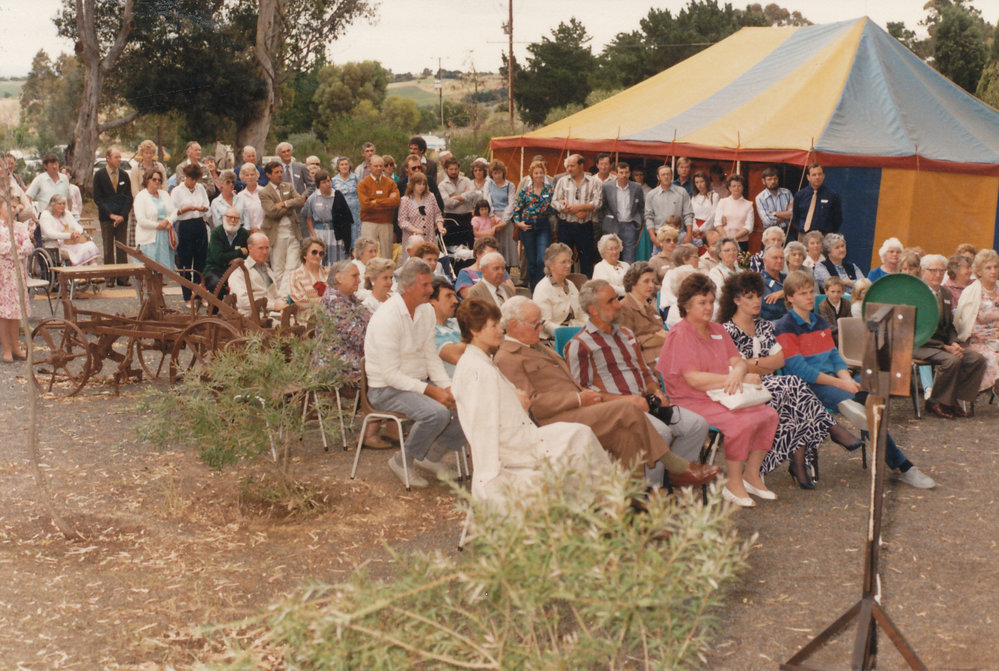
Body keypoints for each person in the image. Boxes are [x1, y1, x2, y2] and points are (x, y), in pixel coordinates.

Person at [495, 296, 721, 488]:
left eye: (540, 322)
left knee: (628, 437)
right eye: (535, 324)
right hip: (555, 420)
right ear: (514, 325)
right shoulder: (508, 357)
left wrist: (584, 396)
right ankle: (676, 466)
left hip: (580, 408)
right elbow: (530, 403)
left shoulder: (537, 346)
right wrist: (577, 397)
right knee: (627, 408)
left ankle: (636, 505)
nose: (541, 328)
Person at [774, 271, 937, 489]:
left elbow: (833, 355)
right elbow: (800, 370)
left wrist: (845, 377)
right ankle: (903, 466)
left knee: (877, 386)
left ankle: (888, 449)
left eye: (810, 292)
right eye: (802, 294)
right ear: (789, 298)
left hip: (834, 380)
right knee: (869, 412)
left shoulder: (819, 321)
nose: (809, 297)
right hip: (808, 388)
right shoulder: (785, 326)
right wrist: (841, 383)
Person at [452, 298, 613, 509]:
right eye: (493, 326)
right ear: (475, 331)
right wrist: (488, 472)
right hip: (512, 446)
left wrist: (517, 400)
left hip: (520, 433)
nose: (500, 331)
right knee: (580, 437)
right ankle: (602, 505)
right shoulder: (478, 370)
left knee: (580, 433)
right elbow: (483, 425)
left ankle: (598, 504)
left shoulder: (480, 360)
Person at [718, 272, 859, 488]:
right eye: (749, 297)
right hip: (744, 390)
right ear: (736, 300)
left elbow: (779, 360)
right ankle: (829, 430)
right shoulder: (726, 331)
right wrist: (754, 366)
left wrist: (749, 363)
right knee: (795, 385)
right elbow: (732, 368)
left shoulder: (764, 326)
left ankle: (798, 463)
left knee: (794, 395)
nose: (757, 301)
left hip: (773, 388)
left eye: (758, 296)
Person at [656, 273, 779, 507]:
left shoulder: (718, 330)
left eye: (711, 301)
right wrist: (731, 378)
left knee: (768, 415)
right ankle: (733, 484)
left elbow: (738, 361)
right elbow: (693, 380)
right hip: (691, 400)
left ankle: (751, 476)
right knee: (740, 423)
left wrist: (738, 372)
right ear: (686, 306)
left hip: (723, 395)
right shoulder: (680, 333)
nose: (708, 307)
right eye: (702, 302)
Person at [568, 279, 710, 463]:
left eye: (616, 299)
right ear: (593, 310)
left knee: (698, 425)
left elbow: (644, 371)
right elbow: (584, 394)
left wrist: (656, 390)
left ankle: (674, 476)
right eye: (611, 301)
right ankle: (653, 486)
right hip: (618, 411)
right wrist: (629, 401)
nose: (618, 304)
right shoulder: (580, 345)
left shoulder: (626, 334)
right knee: (660, 433)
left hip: (647, 402)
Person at [363, 258, 467, 487]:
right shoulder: (387, 317)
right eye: (425, 285)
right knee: (436, 413)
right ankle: (402, 461)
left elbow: (431, 357)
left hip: (417, 383)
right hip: (385, 389)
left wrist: (447, 388)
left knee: (464, 403)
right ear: (407, 287)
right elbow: (390, 375)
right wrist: (432, 391)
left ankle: (430, 457)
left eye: (431, 284)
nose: (431, 290)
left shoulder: (426, 312)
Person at [913, 254, 985, 419]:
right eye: (933, 270)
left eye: (941, 270)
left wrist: (953, 342)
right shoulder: (916, 293)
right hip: (919, 344)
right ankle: (935, 401)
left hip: (941, 345)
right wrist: (944, 347)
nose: (938, 274)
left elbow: (950, 325)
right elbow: (915, 330)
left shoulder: (945, 293)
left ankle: (951, 399)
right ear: (923, 271)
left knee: (976, 359)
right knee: (951, 360)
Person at [955, 248, 999, 396]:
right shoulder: (971, 291)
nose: (993, 271)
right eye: (988, 268)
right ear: (979, 271)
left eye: (996, 267)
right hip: (977, 342)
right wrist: (989, 335)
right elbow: (964, 324)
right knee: (994, 358)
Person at [552, 154, 603, 277]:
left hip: (585, 227)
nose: (569, 169)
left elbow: (598, 203)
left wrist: (579, 207)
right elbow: (554, 202)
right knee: (564, 258)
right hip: (566, 225)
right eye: (568, 166)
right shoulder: (562, 181)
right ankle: (565, 285)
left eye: (572, 166)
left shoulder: (594, 182)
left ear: (581, 166)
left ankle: (585, 288)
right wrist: (573, 211)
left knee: (587, 259)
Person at [260, 161, 306, 289]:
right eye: (276, 172)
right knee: (278, 267)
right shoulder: (264, 192)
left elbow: (301, 201)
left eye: (281, 172)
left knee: (293, 265)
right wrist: (291, 205)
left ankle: (288, 294)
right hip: (277, 233)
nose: (280, 175)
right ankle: (281, 296)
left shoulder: (288, 186)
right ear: (269, 175)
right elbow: (271, 212)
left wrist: (284, 204)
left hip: (293, 231)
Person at [171, 163, 211, 307]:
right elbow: (174, 212)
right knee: (185, 264)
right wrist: (190, 208)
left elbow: (207, 207)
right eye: (191, 179)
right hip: (185, 226)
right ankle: (187, 296)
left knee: (201, 262)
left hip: (199, 224)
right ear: (186, 177)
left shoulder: (200, 189)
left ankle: (200, 294)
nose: (193, 182)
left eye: (196, 179)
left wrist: (203, 209)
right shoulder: (177, 191)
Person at [511, 160, 554, 289]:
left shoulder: (550, 189)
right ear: (531, 175)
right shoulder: (526, 190)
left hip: (543, 225)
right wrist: (519, 224)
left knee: (541, 259)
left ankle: (542, 288)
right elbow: (517, 210)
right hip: (528, 226)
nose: (539, 175)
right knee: (531, 261)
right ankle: (534, 289)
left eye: (541, 173)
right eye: (536, 173)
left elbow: (554, 207)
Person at [0, 201, 33, 363]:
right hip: (3, 275)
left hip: (18, 274)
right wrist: (15, 248)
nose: (13, 210)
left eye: (14, 207)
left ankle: (16, 346)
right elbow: (2, 248)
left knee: (16, 312)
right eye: (8, 206)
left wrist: (16, 249)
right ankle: (5, 348)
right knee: (4, 313)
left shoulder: (20, 226)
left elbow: (28, 247)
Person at [227, 232, 286, 318]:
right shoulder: (239, 272)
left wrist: (283, 307)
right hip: (250, 319)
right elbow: (243, 301)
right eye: (261, 248)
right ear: (250, 248)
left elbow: (276, 295)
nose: (265, 252)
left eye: (267, 248)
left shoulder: (267, 270)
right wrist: (274, 306)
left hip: (270, 315)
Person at [532, 242, 584, 340]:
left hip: (577, 335)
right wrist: (567, 334)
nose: (568, 265)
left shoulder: (571, 285)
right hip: (554, 339)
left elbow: (582, 313)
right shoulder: (543, 288)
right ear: (551, 265)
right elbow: (544, 323)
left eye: (569, 261)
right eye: (563, 262)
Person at [92, 148, 133, 269]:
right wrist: (111, 215)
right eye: (116, 157)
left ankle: (122, 276)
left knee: (122, 247)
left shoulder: (124, 175)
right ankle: (109, 277)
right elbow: (98, 198)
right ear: (108, 159)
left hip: (122, 218)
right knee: (108, 248)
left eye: (120, 157)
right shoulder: (99, 175)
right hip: (106, 218)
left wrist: (122, 215)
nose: (119, 160)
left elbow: (128, 198)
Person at [302, 169, 353, 265]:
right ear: (318, 184)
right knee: (320, 260)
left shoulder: (337, 196)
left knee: (336, 261)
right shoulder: (313, 198)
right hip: (319, 232)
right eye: (324, 182)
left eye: (329, 181)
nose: (327, 184)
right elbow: (308, 217)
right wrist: (313, 234)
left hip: (334, 233)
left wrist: (344, 236)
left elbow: (346, 218)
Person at [620, 262, 667, 365]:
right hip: (642, 363)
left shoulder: (650, 307)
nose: (651, 285)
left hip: (661, 356)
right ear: (633, 283)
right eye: (646, 281)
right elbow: (625, 343)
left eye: (653, 281)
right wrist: (655, 337)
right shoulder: (623, 308)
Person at [357, 155, 400, 260]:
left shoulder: (390, 183)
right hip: (369, 222)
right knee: (367, 252)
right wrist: (386, 201)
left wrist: (375, 201)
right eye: (376, 166)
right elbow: (366, 205)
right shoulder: (363, 184)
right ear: (369, 167)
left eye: (381, 166)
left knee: (387, 254)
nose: (379, 168)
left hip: (386, 222)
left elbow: (396, 201)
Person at [132, 167, 177, 270]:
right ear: (147, 180)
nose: (157, 182)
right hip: (149, 239)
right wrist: (158, 225)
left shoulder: (164, 194)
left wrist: (167, 221)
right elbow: (141, 220)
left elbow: (174, 212)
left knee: (163, 273)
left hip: (165, 238)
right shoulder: (141, 196)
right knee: (149, 272)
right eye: (154, 179)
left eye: (159, 180)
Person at [600, 162, 645, 264]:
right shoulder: (607, 187)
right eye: (621, 172)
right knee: (611, 256)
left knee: (629, 258)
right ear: (616, 173)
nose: (624, 175)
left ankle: (627, 279)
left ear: (630, 174)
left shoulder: (636, 187)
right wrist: (604, 223)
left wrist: (638, 221)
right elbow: (602, 207)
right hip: (612, 225)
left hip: (630, 226)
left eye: (626, 172)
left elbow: (641, 207)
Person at [38, 195, 100, 267]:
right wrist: (69, 235)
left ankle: (94, 273)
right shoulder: (46, 215)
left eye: (64, 204)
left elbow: (78, 227)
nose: (62, 206)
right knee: (77, 251)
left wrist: (76, 233)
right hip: (55, 244)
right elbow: (49, 233)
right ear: (53, 205)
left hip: (71, 242)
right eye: (59, 204)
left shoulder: (66, 213)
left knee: (90, 245)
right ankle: (78, 274)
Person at [397, 172, 445, 259]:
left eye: (424, 184)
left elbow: (438, 214)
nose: (422, 186)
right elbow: (402, 221)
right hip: (414, 240)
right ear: (412, 185)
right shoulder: (405, 200)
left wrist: (440, 226)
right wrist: (415, 229)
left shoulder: (431, 197)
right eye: (419, 184)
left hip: (430, 238)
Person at [204, 208, 249, 298]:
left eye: (236, 218)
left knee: (247, 285)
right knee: (216, 286)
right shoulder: (216, 233)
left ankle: (240, 310)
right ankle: (213, 311)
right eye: (230, 217)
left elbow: (248, 254)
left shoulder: (244, 233)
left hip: (237, 270)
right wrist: (239, 252)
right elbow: (218, 257)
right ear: (223, 218)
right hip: (215, 269)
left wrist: (237, 260)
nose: (233, 220)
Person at [791, 163, 841, 240]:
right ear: (808, 177)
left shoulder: (832, 196)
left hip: (824, 236)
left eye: (819, 174)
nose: (817, 177)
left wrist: (828, 233)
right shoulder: (800, 195)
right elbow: (796, 216)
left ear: (824, 176)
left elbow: (837, 218)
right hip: (804, 235)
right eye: (814, 175)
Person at [645, 165, 693, 244]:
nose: (666, 177)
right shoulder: (651, 195)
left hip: (679, 236)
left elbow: (688, 214)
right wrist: (653, 237)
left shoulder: (682, 192)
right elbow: (649, 217)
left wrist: (689, 234)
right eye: (663, 175)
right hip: (660, 236)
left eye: (668, 174)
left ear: (672, 176)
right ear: (658, 177)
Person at [276, 141, 315, 237]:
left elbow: (311, 185)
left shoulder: (301, 167)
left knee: (303, 236)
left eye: (288, 151)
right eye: (284, 152)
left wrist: (305, 195)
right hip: (284, 209)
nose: (287, 153)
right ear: (279, 154)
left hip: (300, 208)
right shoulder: (276, 169)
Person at [438, 157, 476, 250]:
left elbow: (472, 194)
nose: (454, 171)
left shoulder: (466, 181)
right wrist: (464, 197)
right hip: (451, 218)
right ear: (446, 169)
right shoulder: (442, 185)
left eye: (456, 169)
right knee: (452, 247)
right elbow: (447, 203)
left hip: (467, 217)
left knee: (469, 246)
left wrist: (455, 197)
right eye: (451, 169)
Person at [430, 277, 464, 375]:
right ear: (432, 302)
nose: (455, 301)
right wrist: (477, 337)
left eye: (454, 296)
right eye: (448, 296)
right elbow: (455, 356)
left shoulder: (457, 322)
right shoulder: (431, 330)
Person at [487, 159, 518, 267]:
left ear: (503, 172)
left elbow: (511, 204)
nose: (497, 176)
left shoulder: (510, 186)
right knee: (494, 244)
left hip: (506, 217)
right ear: (491, 174)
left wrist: (504, 221)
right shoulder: (489, 184)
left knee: (507, 245)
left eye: (499, 172)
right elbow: (487, 200)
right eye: (495, 173)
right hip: (492, 217)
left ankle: (507, 270)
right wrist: (491, 216)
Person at [714, 174, 754, 250]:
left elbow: (749, 227)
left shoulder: (749, 204)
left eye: (739, 186)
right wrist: (726, 239)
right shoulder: (722, 202)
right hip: (724, 241)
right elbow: (717, 223)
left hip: (742, 243)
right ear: (729, 188)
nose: (736, 188)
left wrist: (733, 239)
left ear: (743, 187)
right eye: (734, 186)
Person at [287, 237, 328, 307]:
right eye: (314, 252)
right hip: (306, 316)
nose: (318, 256)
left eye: (321, 253)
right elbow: (300, 301)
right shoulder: (295, 275)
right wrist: (326, 301)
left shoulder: (329, 272)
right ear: (304, 255)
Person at [332, 156, 362, 245]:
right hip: (342, 212)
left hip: (355, 211)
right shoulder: (334, 180)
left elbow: (361, 193)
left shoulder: (356, 178)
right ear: (338, 167)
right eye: (342, 164)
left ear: (350, 166)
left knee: (356, 234)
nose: (344, 166)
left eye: (346, 164)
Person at [754, 167, 793, 234]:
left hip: (787, 232)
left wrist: (775, 214)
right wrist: (786, 215)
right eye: (769, 179)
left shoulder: (787, 193)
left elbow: (793, 214)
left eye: (775, 179)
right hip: (770, 233)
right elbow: (767, 221)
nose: (773, 181)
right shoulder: (760, 198)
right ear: (763, 181)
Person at [816, 276, 851, 343]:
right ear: (826, 291)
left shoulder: (847, 304)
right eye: (832, 292)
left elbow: (849, 320)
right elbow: (827, 325)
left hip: (844, 332)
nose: (836, 294)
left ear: (842, 291)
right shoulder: (822, 306)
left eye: (838, 292)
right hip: (828, 332)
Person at [759, 244, 787, 322]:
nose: (779, 261)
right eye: (775, 258)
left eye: (782, 258)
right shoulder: (759, 281)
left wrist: (784, 293)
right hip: (772, 323)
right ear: (765, 260)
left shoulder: (788, 278)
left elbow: (802, 293)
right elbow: (772, 306)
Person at [233, 163, 264, 232]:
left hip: (265, 231)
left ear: (256, 175)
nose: (250, 177)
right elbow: (239, 217)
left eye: (252, 174)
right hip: (248, 233)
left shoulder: (265, 192)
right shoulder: (240, 196)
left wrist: (259, 227)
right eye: (247, 175)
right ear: (243, 177)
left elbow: (269, 214)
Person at [690, 171, 717, 245]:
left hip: (708, 228)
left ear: (706, 182)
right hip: (695, 230)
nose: (699, 185)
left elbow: (713, 214)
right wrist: (695, 229)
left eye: (701, 181)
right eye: (697, 182)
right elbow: (691, 214)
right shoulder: (694, 197)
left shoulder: (714, 195)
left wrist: (701, 229)